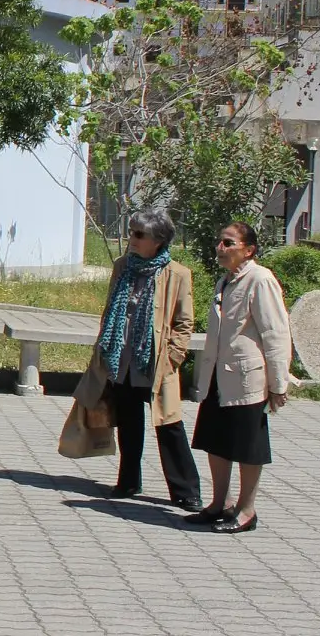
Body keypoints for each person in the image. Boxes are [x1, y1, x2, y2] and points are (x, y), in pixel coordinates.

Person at [70, 209, 202, 512]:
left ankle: (186, 492)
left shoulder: (177, 274)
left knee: (169, 426)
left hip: (155, 363)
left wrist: (174, 356)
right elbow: (110, 308)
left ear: (158, 241)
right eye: (131, 231)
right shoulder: (122, 266)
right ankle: (128, 481)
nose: (132, 239)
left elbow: (184, 322)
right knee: (129, 422)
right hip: (121, 359)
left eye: (139, 234)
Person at [187, 221, 293, 534]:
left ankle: (247, 511)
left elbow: (275, 333)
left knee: (248, 446)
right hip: (220, 376)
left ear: (249, 250)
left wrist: (278, 384)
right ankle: (221, 503)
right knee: (215, 441)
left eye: (229, 243)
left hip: (249, 379)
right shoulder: (226, 280)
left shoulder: (261, 280)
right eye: (220, 242)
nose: (221, 248)